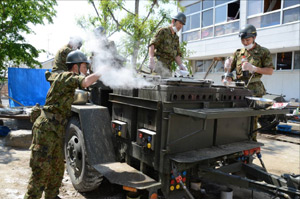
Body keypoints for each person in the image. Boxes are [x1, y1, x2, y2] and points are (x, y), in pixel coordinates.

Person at [24, 50, 101, 199]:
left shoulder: (69, 82)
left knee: (56, 171)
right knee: (40, 173)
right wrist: (102, 71)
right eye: (85, 67)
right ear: (75, 67)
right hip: (46, 129)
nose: (86, 70)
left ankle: (51, 196)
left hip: (57, 130)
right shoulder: (66, 77)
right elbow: (85, 82)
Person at [224, 24, 274, 140]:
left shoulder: (263, 52)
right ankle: (234, 140)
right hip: (239, 89)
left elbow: (270, 71)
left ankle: (250, 141)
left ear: (254, 37)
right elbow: (229, 71)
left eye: (248, 40)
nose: (245, 43)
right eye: (243, 40)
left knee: (252, 118)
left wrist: (255, 69)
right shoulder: (238, 52)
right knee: (235, 116)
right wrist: (227, 72)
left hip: (254, 90)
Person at [148, 12, 188, 77]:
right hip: (159, 64)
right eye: (180, 23)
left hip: (168, 67)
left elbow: (177, 54)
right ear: (173, 21)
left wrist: (181, 65)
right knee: (158, 84)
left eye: (182, 24)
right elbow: (152, 45)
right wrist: (151, 59)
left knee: (167, 85)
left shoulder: (176, 38)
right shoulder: (163, 31)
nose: (181, 26)